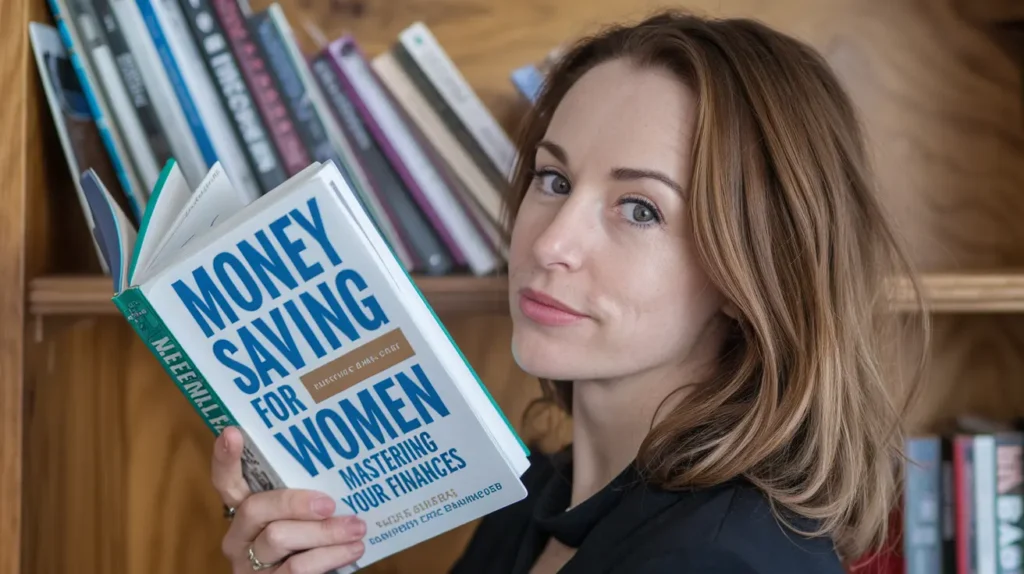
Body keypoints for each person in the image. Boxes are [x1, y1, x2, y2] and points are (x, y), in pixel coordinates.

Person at [210, 9, 929, 574]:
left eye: (640, 209)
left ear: (755, 275)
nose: (550, 244)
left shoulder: (721, 560)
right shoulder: (529, 506)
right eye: (553, 181)